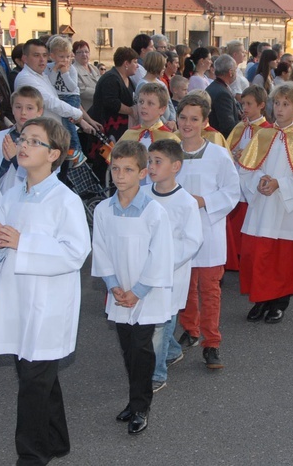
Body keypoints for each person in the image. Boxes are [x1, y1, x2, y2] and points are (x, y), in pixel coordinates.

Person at [0, 117, 91, 464]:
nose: (23, 145)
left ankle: (30, 457)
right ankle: (56, 440)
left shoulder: (65, 200)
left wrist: (22, 242)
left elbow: (76, 252)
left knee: (33, 381)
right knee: (35, 375)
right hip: (16, 299)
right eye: (22, 138)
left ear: (53, 154)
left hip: (48, 305)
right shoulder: (12, 194)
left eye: (34, 141)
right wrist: (0, 246)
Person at [91, 140, 174, 435]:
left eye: (128, 169)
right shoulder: (104, 210)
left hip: (145, 294)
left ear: (142, 173)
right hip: (119, 293)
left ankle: (141, 406)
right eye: (115, 168)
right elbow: (99, 249)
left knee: (140, 349)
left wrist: (137, 291)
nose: (120, 175)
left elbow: (160, 255)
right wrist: (113, 286)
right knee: (127, 349)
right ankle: (133, 399)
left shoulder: (154, 212)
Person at [238, 82, 293, 323]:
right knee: (259, 255)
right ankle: (261, 299)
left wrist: (280, 185)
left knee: (282, 257)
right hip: (263, 205)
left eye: (286, 104)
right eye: (277, 103)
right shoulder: (262, 135)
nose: (279, 108)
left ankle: (279, 302)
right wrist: (259, 180)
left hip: (287, 208)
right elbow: (246, 169)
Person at [173, 93, 238, 367]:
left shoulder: (218, 155)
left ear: (205, 122)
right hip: (177, 233)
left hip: (208, 231)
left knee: (210, 290)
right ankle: (190, 330)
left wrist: (204, 201)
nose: (187, 124)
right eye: (183, 117)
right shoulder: (169, 152)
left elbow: (232, 191)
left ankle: (212, 342)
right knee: (184, 287)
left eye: (194, 119)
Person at [143, 139, 203, 393]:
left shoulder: (186, 202)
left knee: (160, 323)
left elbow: (192, 241)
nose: (152, 167)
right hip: (143, 271)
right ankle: (173, 350)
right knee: (152, 322)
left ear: (176, 166)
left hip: (170, 275)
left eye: (158, 162)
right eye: (149, 161)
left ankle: (157, 373)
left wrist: (163, 258)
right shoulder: (142, 194)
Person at [15, 39, 95, 166]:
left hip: (53, 138)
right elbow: (50, 102)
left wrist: (82, 120)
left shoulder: (41, 75)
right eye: (36, 55)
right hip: (41, 140)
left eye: (44, 55)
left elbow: (70, 94)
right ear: (25, 58)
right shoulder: (26, 78)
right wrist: (75, 113)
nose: (42, 60)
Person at [225, 85, 270, 271]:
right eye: (243, 103)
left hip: (254, 180)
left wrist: (249, 157)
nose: (245, 107)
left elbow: (267, 156)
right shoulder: (240, 126)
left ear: (261, 105)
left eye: (249, 104)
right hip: (238, 176)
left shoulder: (267, 130)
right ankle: (235, 256)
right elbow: (229, 148)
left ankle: (247, 255)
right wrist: (235, 154)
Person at [46, 35, 102, 166]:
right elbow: (50, 85)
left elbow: (72, 87)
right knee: (64, 122)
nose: (65, 60)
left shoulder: (71, 69)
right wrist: (55, 70)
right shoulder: (49, 68)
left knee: (68, 120)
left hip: (71, 97)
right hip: (59, 97)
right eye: (61, 57)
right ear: (53, 56)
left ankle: (76, 149)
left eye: (67, 57)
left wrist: (64, 72)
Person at [0, 86, 44, 193]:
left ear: (39, 111)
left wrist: (15, 158)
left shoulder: (44, 142)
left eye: (29, 108)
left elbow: (42, 177)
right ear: (12, 108)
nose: (23, 112)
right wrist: (4, 161)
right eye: (18, 107)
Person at [118, 82, 179, 180]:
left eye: (150, 103)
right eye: (141, 102)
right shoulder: (129, 134)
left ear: (162, 109)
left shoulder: (170, 139)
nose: (144, 106)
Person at [89, 47, 138, 142]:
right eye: (135, 62)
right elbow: (112, 103)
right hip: (108, 131)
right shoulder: (111, 78)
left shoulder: (128, 79)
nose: (137, 66)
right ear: (126, 64)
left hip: (122, 130)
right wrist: (131, 111)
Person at [134, 51, 177, 130]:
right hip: (154, 127)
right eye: (163, 65)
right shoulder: (143, 85)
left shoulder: (161, 83)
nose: (164, 67)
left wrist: (173, 120)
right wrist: (165, 123)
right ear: (156, 65)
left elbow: (169, 103)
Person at [205, 54, 241, 137]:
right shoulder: (223, 94)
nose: (236, 73)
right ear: (230, 72)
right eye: (235, 70)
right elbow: (228, 126)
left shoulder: (214, 87)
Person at [72, 40, 101, 113]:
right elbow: (82, 91)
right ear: (74, 54)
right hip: (87, 110)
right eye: (80, 52)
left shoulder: (94, 68)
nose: (84, 54)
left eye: (86, 52)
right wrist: (101, 93)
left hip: (100, 107)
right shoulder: (73, 70)